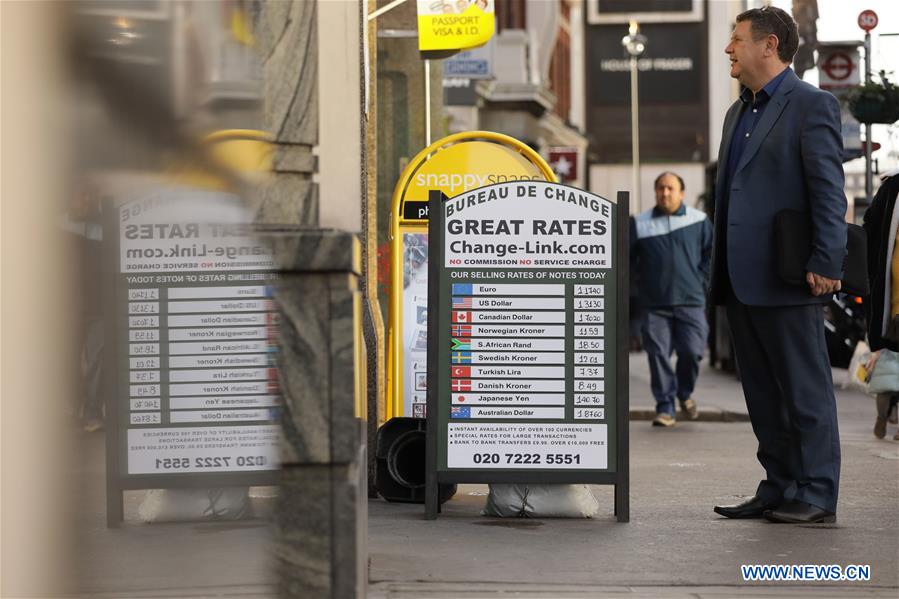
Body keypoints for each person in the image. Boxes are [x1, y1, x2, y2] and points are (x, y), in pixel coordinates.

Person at [709, 6, 846, 524]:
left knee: (805, 392)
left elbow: (827, 193)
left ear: (769, 46)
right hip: (741, 278)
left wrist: (826, 259)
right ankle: (780, 484)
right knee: (763, 394)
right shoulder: (736, 113)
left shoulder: (812, 105)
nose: (729, 49)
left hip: (792, 276)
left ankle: (816, 493)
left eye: (737, 40)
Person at [630, 172, 712, 427]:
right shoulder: (640, 223)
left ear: (682, 193)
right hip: (654, 305)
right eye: (660, 188)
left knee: (693, 352)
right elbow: (628, 262)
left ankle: (684, 394)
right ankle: (665, 407)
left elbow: (711, 256)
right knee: (658, 355)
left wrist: (702, 281)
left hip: (692, 301)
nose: (665, 193)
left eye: (670, 188)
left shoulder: (699, 220)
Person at [863, 168, 899, 440]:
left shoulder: (890, 187)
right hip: (892, 295)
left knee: (889, 355)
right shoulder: (892, 186)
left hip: (891, 298)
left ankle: (884, 412)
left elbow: (869, 231)